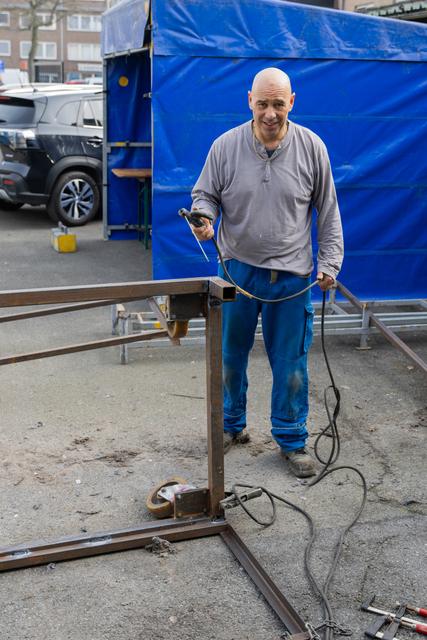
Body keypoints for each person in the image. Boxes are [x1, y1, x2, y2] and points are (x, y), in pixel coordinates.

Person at [191, 68, 343, 478]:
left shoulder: (312, 149)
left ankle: (292, 440)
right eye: (263, 104)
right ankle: (230, 426)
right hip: (237, 273)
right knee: (229, 357)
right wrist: (203, 217)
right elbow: (204, 194)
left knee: (291, 365)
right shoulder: (225, 148)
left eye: (279, 104)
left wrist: (330, 263)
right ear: (249, 101)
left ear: (292, 101)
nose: (271, 113)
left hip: (293, 279)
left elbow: (328, 212)